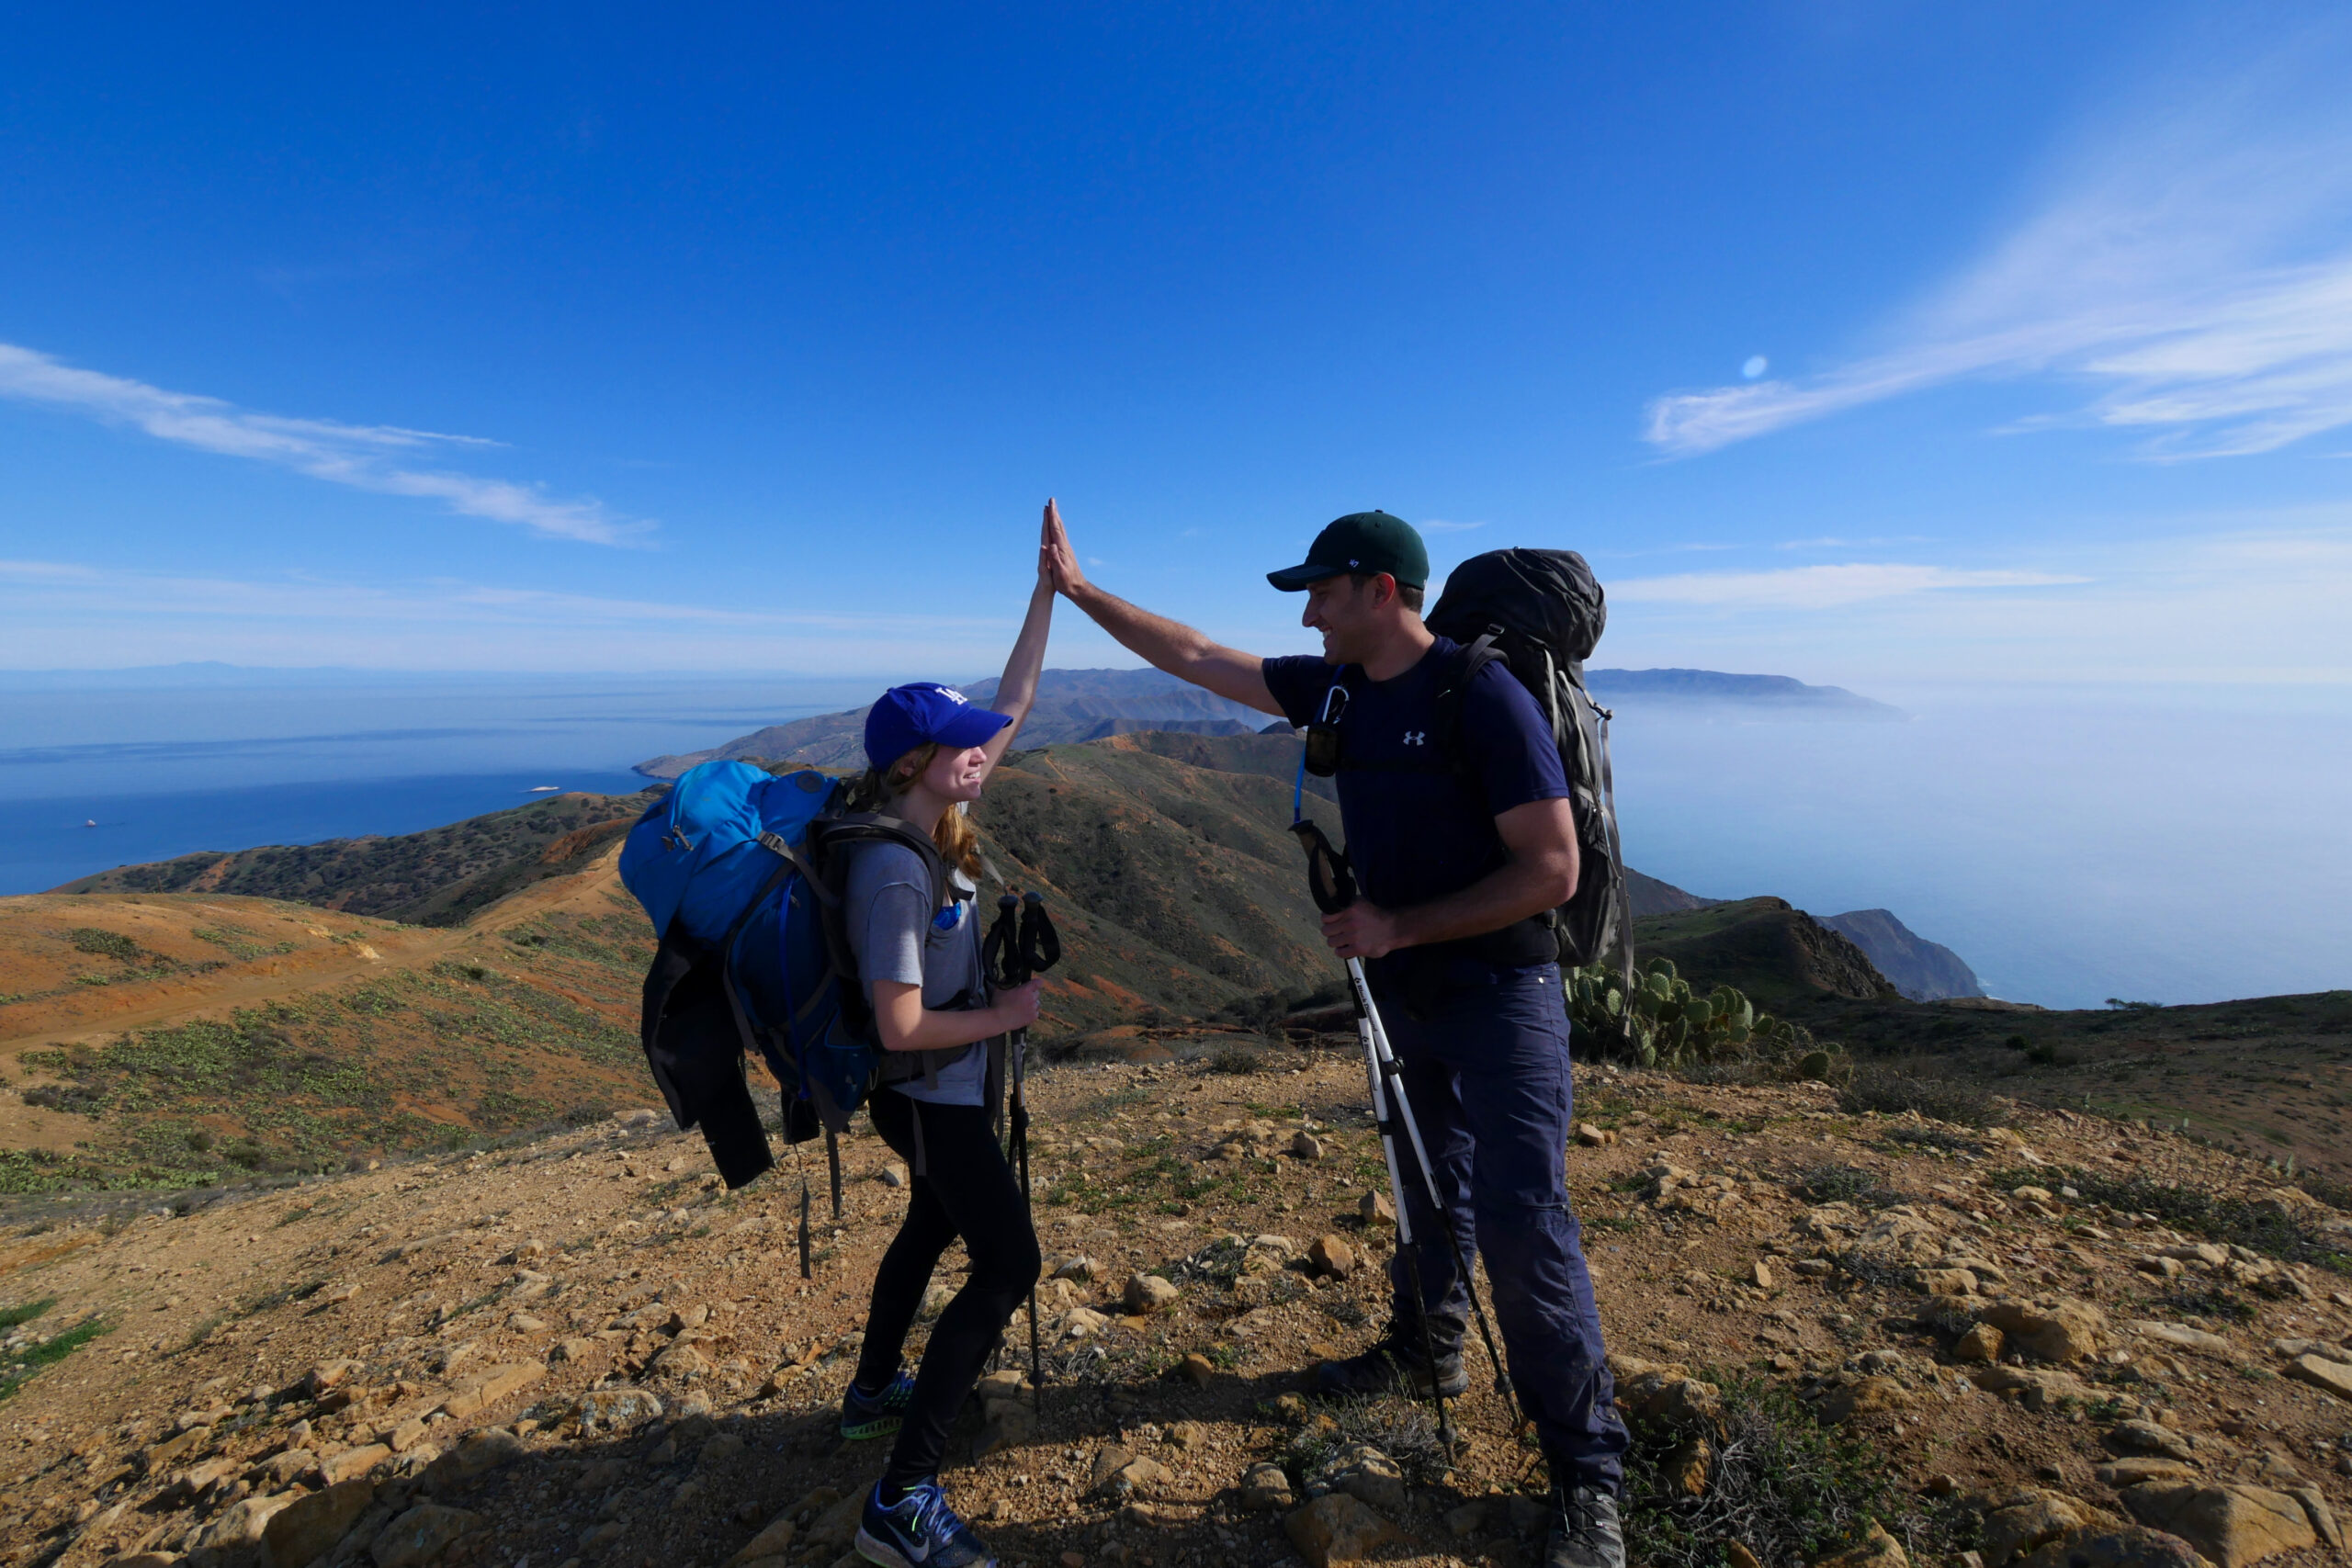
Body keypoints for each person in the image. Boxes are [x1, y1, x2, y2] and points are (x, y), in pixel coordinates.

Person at [1040, 506, 1630, 1568]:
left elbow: (1552, 871)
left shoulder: (1479, 697)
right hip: (1402, 992)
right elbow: (1197, 657)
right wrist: (1082, 595)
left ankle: (1588, 1475)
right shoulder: (1342, 690)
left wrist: (1399, 924)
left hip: (1500, 995)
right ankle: (1424, 1352)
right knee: (1420, 1186)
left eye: (1321, 590)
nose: (1306, 613)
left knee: (1523, 1219)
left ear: (1380, 592)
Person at [843, 508, 1057, 1568]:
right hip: (926, 1090)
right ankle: (901, 1497)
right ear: (912, 760)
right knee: (1008, 1261)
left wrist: (1047, 593)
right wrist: (1007, 1018)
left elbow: (1012, 700)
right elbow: (901, 1023)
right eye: (961, 742)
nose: (982, 748)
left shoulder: (942, 821)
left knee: (932, 1226)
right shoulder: (892, 868)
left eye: (976, 741)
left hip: (943, 1091)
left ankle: (872, 1389)